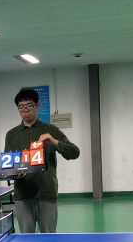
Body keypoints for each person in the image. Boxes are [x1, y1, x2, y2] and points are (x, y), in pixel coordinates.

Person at [4, 87, 80, 233]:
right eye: (21, 106)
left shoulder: (51, 130)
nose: (25, 109)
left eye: (29, 105)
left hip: (47, 194)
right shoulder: (11, 135)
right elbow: (8, 165)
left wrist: (54, 141)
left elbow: (74, 152)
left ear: (37, 106)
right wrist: (14, 172)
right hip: (23, 196)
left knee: (49, 239)